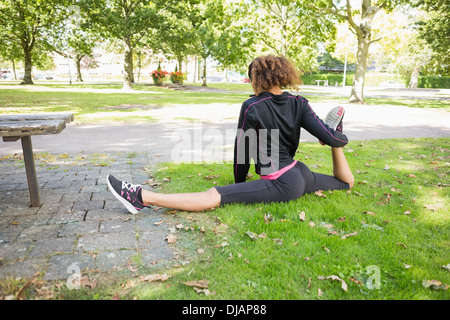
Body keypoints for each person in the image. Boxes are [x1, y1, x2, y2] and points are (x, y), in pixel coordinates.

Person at [106, 55, 354, 214]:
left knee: (213, 196)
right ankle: (141, 197)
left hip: (281, 182)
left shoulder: (253, 106)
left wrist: (237, 186)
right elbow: (333, 140)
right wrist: (334, 138)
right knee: (344, 184)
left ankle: (140, 196)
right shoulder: (300, 102)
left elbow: (242, 152)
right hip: (300, 173)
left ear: (255, 79)